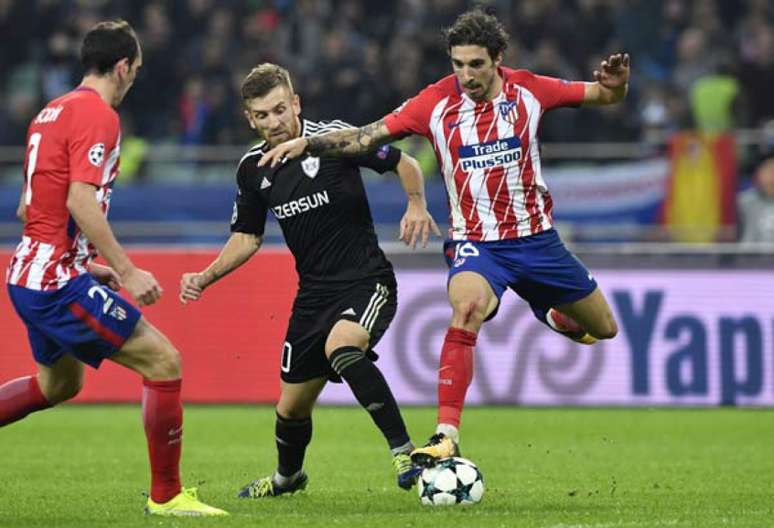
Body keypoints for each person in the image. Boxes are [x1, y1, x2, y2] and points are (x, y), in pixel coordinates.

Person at [258, 8, 628, 466]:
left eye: (476, 64)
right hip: (476, 243)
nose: (466, 75)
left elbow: (604, 96)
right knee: (467, 307)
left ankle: (550, 311)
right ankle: (445, 435)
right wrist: (307, 143)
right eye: (457, 64)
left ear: (498, 59)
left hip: (537, 240)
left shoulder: (530, 89)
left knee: (604, 329)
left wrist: (617, 85)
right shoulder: (435, 102)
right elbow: (366, 138)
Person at [179, 63, 439, 497]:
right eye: (262, 115)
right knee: (291, 409)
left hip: (366, 280)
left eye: (280, 110)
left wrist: (415, 204)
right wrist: (205, 278)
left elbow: (404, 160)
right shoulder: (252, 169)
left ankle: (403, 450)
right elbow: (246, 238)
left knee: (342, 346)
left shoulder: (333, 138)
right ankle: (287, 479)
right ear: (250, 119)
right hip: (313, 297)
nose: (274, 122)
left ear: (296, 103)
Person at [1, 20, 226, 517]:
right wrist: (125, 270)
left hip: (30, 272)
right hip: (55, 282)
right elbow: (81, 202)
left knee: (59, 385)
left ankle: (167, 495)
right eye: (137, 70)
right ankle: (167, 497)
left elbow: (29, 208)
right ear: (122, 67)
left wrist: (87, 264)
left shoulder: (49, 112)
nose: (135, 80)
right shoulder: (98, 115)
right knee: (164, 361)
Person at [738, 156, 774, 243]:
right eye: (770, 171)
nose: (772, 178)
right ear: (758, 174)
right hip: (750, 254)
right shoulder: (743, 202)